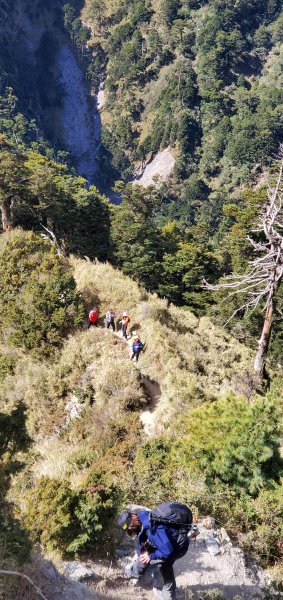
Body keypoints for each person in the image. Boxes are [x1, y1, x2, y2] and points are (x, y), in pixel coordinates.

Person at [117, 508, 190, 599]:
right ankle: (133, 572)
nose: (130, 531)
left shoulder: (153, 529)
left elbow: (167, 551)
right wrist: (142, 557)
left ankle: (169, 596)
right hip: (164, 542)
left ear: (133, 523)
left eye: (130, 528)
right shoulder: (140, 518)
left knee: (164, 567)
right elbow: (140, 540)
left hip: (177, 547)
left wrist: (150, 556)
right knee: (144, 558)